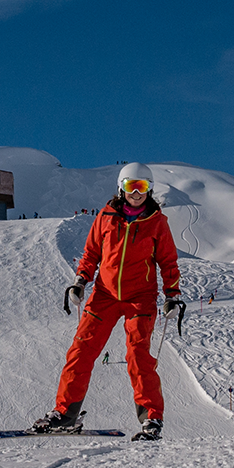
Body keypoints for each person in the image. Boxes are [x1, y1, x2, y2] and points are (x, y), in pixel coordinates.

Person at [31, 163, 184, 441]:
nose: (136, 193)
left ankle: (151, 418)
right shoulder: (105, 217)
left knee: (138, 357)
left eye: (142, 187)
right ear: (120, 188)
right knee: (81, 350)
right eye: (130, 187)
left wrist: (173, 295)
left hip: (141, 297)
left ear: (150, 190)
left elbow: (167, 261)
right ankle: (65, 414)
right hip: (105, 294)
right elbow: (91, 254)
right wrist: (80, 281)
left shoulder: (157, 223)